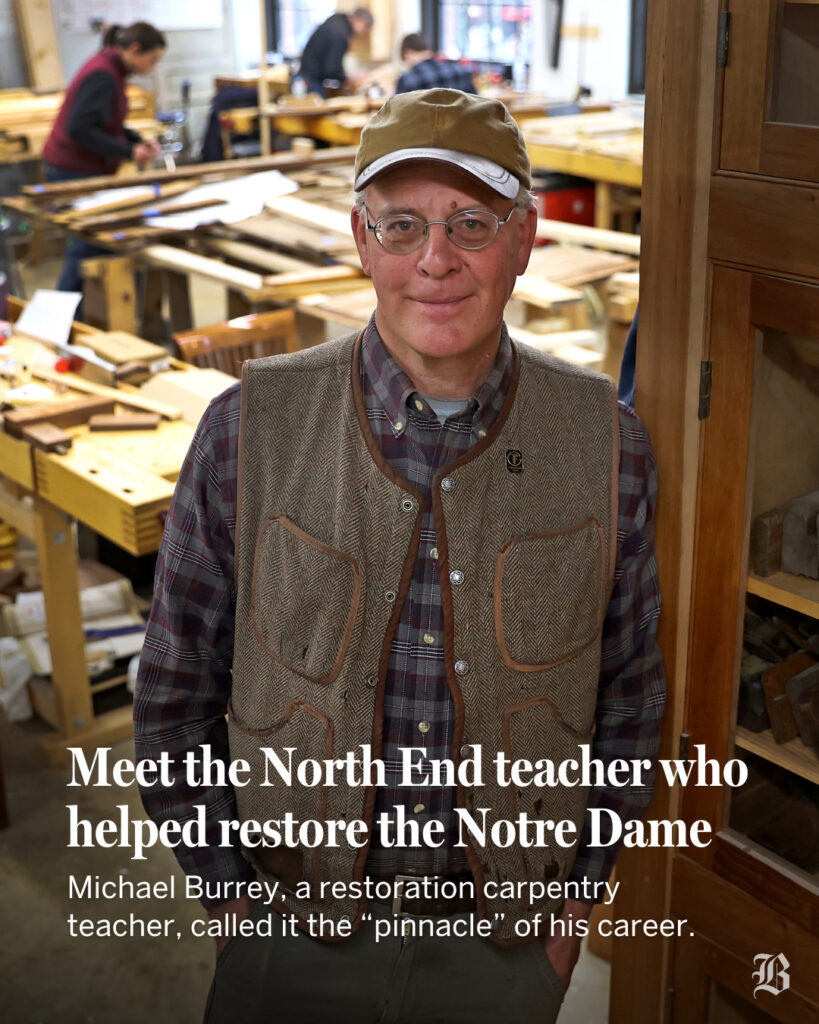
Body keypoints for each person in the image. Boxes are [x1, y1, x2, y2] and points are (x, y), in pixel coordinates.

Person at [135, 88, 665, 1023]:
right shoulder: (246, 432)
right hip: (289, 932)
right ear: (359, 239)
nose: (435, 260)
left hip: (503, 944)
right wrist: (230, 894)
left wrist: (575, 893)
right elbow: (174, 697)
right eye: (402, 225)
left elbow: (628, 696)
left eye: (471, 222)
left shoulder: (606, 444)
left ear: (526, 236)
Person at [43, 22, 165, 292]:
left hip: (77, 167)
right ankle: (65, 324)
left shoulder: (110, 68)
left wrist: (135, 140)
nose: (153, 66)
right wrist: (128, 151)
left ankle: (88, 317)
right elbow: (80, 128)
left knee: (90, 247)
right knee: (84, 248)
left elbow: (106, 122)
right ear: (134, 49)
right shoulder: (104, 75)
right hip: (72, 170)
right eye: (152, 58)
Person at [296, 8, 374, 97]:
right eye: (366, 29)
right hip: (312, 77)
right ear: (362, 21)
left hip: (307, 72)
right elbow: (332, 69)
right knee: (317, 107)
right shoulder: (340, 34)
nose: (364, 34)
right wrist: (350, 78)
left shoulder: (338, 21)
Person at [395, 33, 476, 94]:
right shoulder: (460, 70)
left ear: (407, 54)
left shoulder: (407, 80)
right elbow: (476, 106)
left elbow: (397, 113)